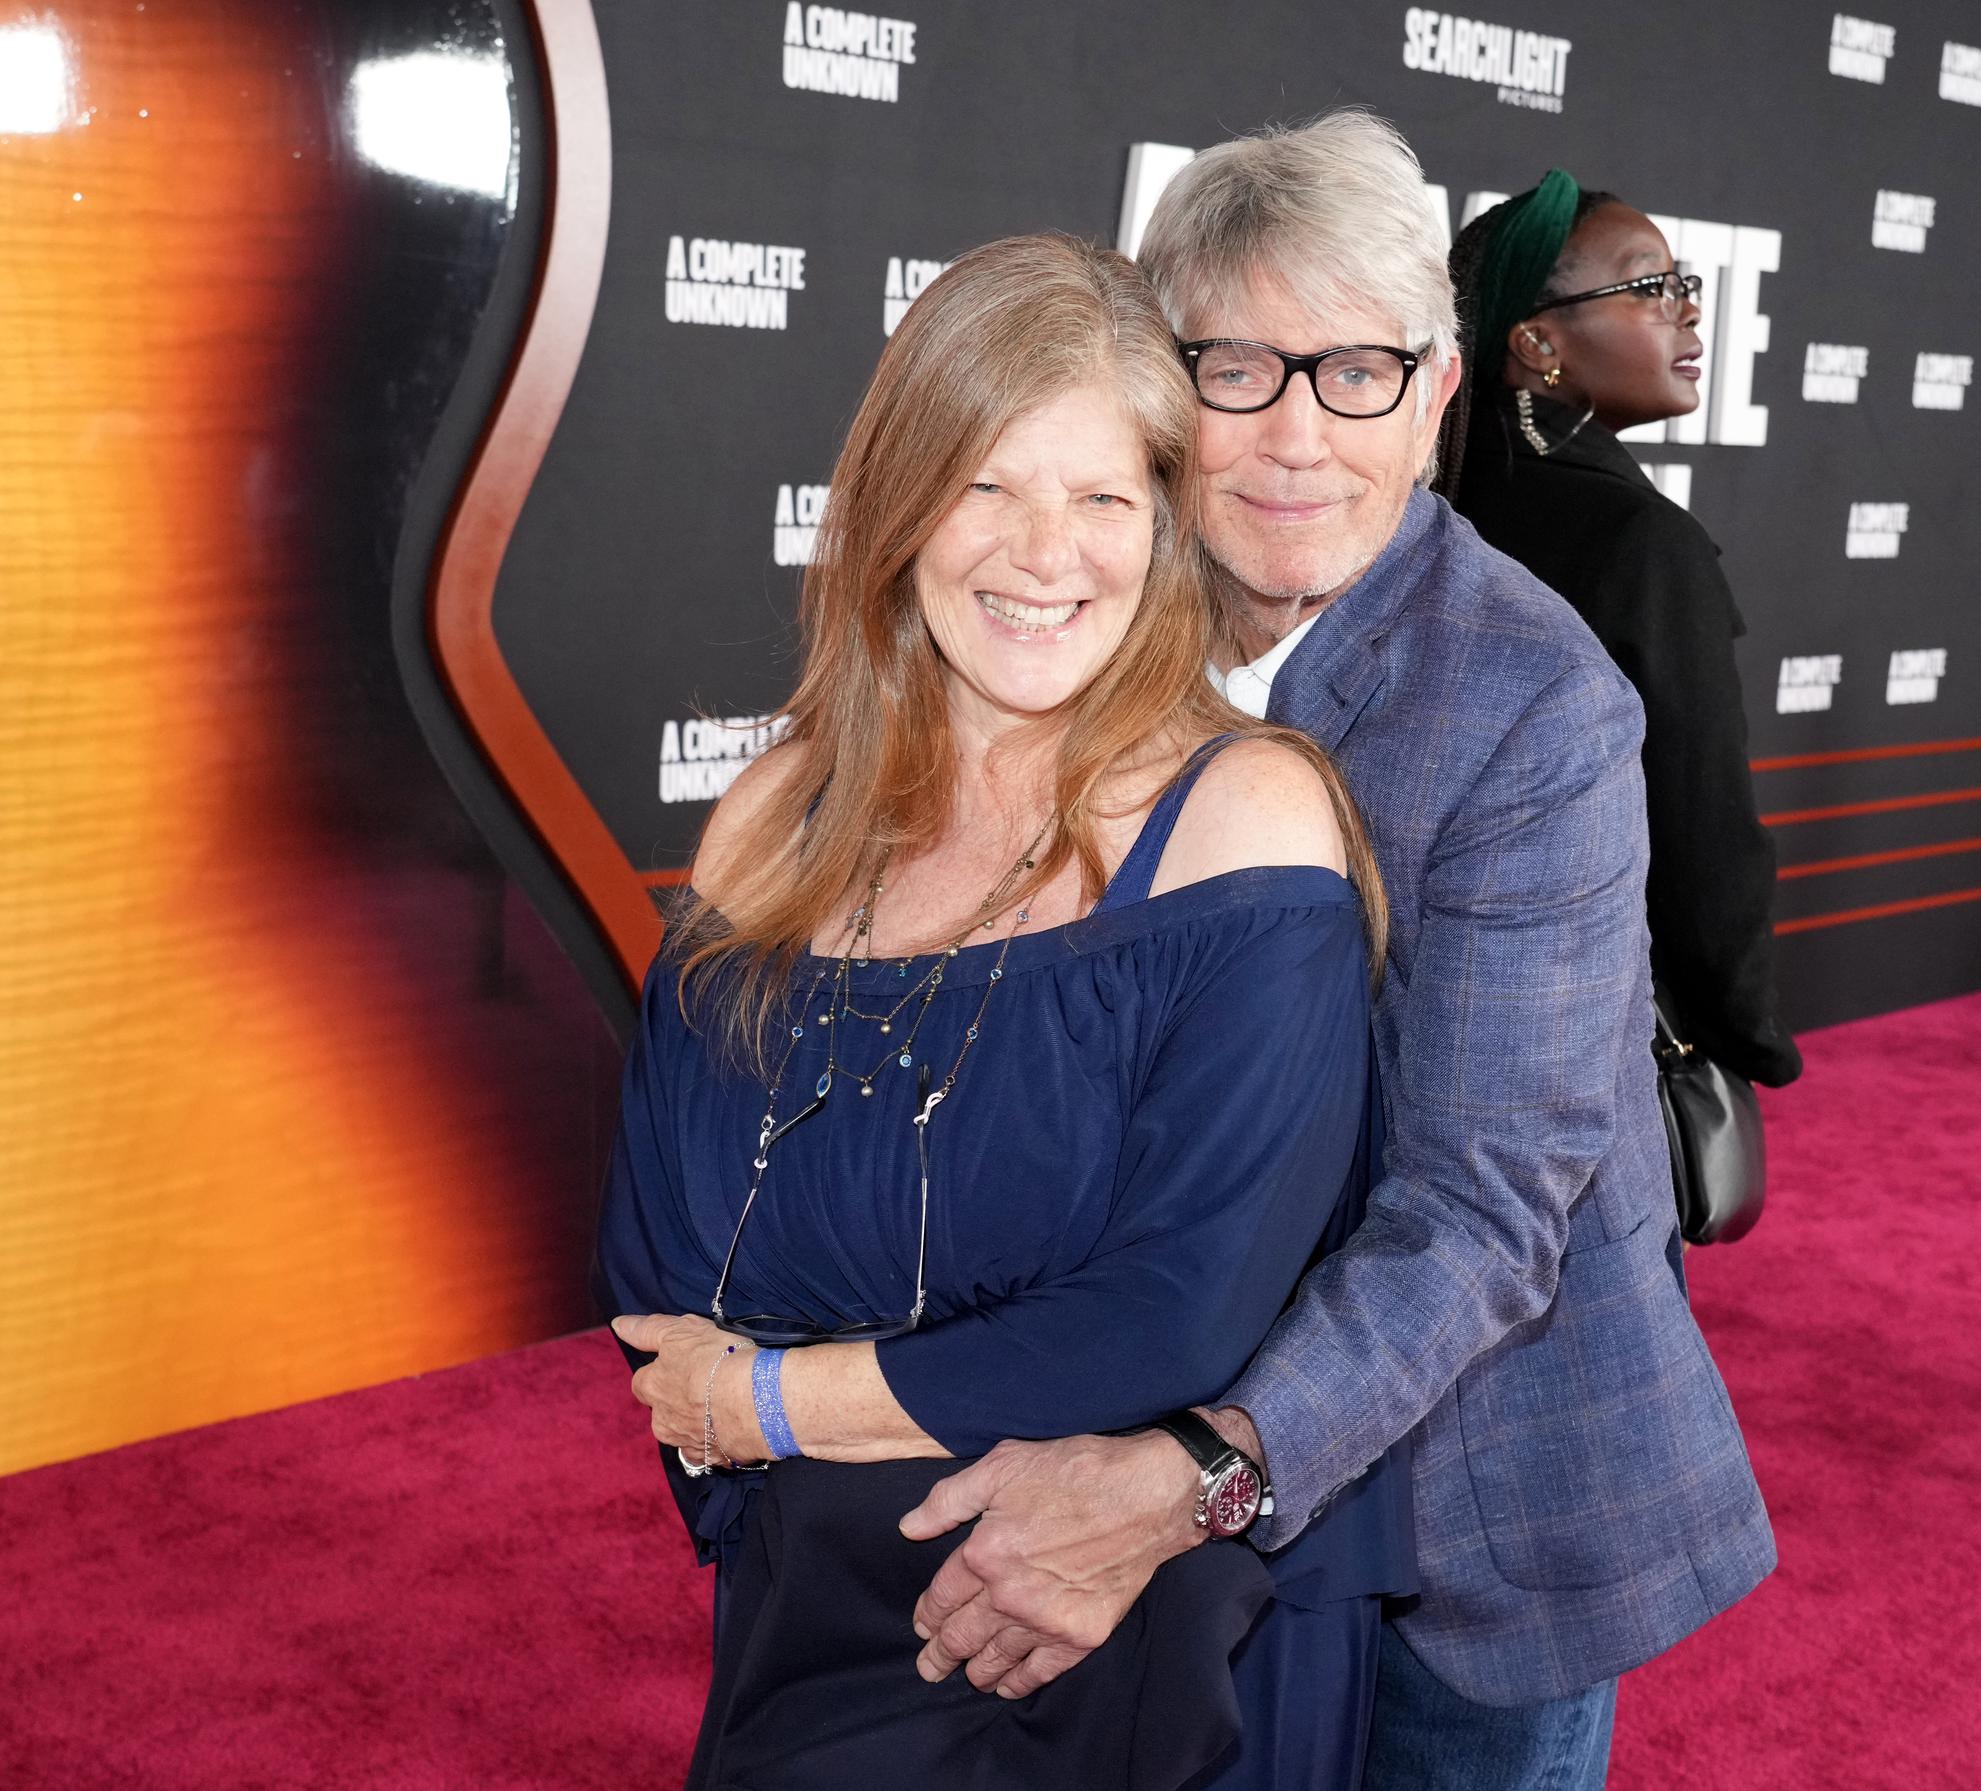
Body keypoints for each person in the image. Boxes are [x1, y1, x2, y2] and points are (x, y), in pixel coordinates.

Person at [891, 115, 1776, 1789]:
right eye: (1235, 366)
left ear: (1439, 393)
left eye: (1357, 370)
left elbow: (1491, 1210)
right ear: (1161, 389)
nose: (1297, 434)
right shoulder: (1081, 618)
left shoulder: (1534, 703)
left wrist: (1188, 1477)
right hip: (1160, 1417)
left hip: (1468, 1509)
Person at [599, 232, 1410, 1791]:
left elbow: (1174, 1313)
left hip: (1126, 1618)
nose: (1048, 553)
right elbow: (661, 1253)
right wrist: (799, 1428)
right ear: (900, 503)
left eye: (1105, 496)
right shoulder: (777, 812)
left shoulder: (1249, 823)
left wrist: (774, 1396)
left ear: (1169, 531)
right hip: (807, 1596)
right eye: (987, 484)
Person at [1435, 172, 1801, 1089]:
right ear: (1536, 342)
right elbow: (1699, 826)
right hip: (1579, 1032)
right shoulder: (1643, 543)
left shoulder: (1421, 493)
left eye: (1685, 286)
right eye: (1648, 287)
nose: (1687, 315)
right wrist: (1746, 1029)